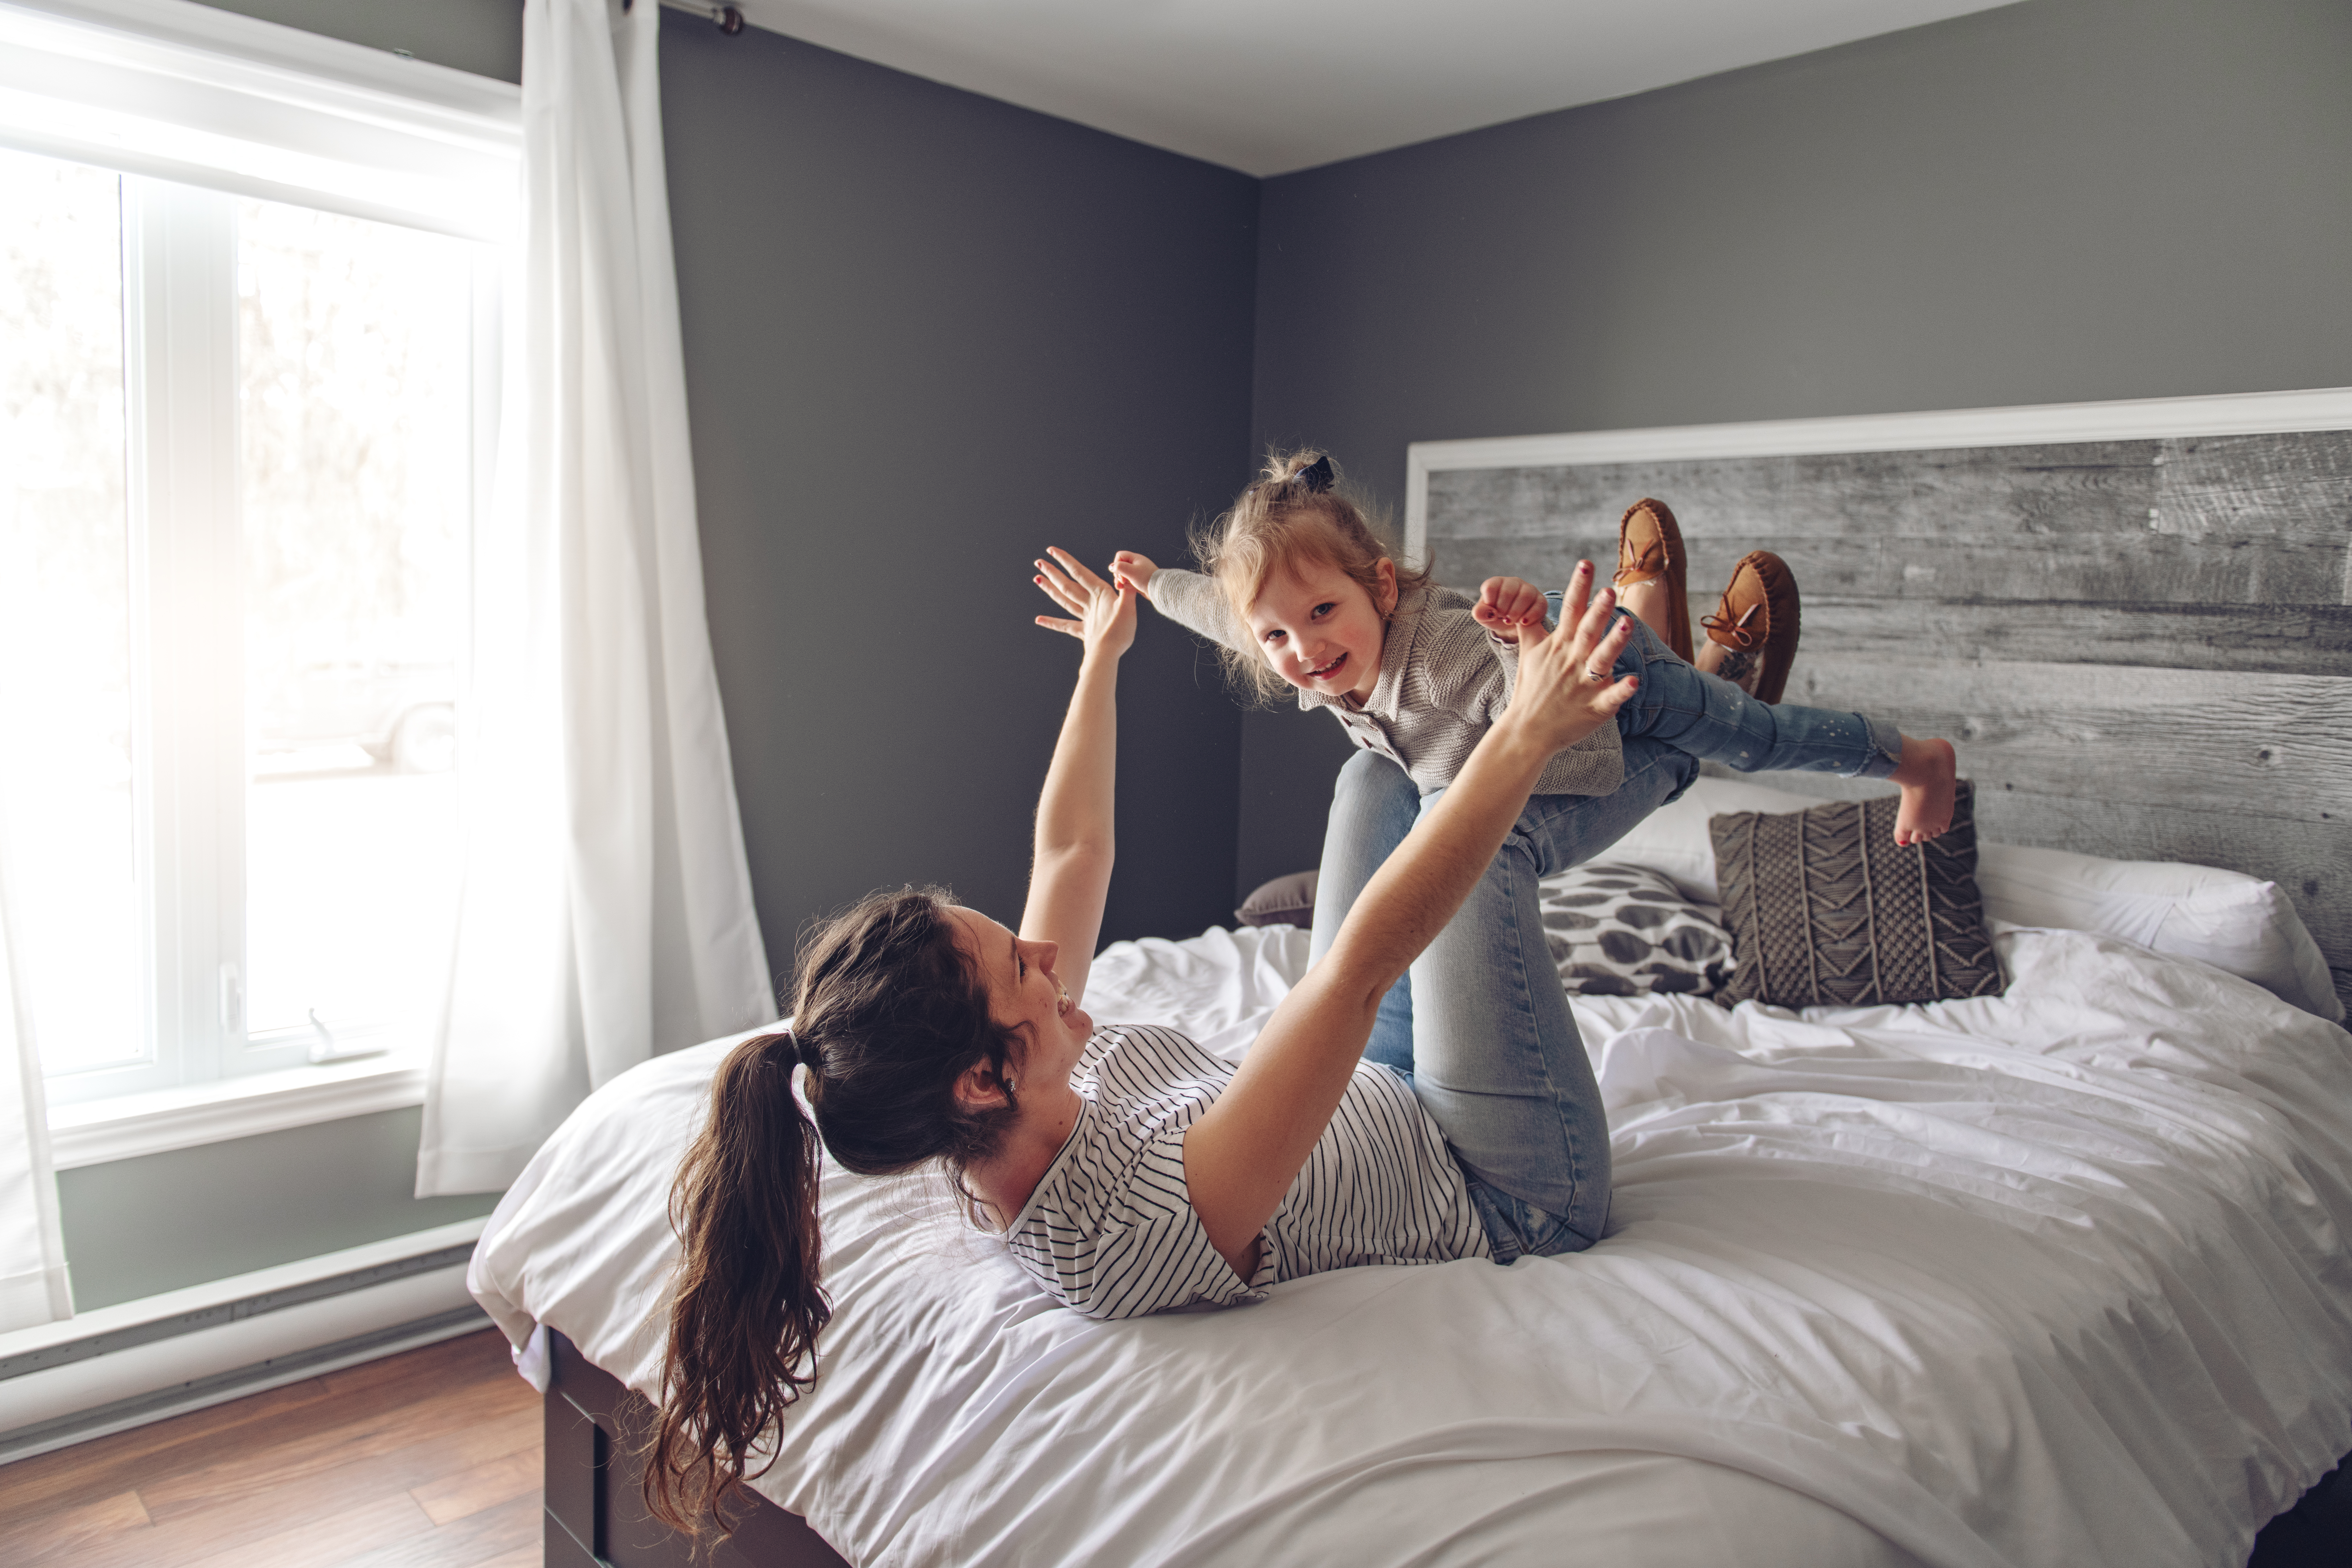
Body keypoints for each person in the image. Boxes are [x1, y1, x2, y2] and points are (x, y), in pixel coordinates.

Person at [650, 550, 1643, 1534]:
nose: (1047, 955)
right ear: (985, 1079)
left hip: (1388, 1089)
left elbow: (1071, 852)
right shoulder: (1125, 1228)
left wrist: (1103, 656)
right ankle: (1673, 728)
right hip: (1502, 1184)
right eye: (1021, 968)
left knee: (1373, 775)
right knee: (1484, 818)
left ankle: (1633, 686)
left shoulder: (1007, 1098)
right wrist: (1523, 732)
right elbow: (1354, 972)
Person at [1111, 451, 1956, 1077]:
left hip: (1595, 677)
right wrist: (1153, 586)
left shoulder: (1442, 662)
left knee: (1750, 738)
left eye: (1323, 612)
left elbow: (1558, 735)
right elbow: (1225, 615)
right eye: (1278, 636)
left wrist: (1524, 644)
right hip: (1534, 700)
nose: (1304, 649)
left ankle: (1912, 760)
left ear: (1383, 588)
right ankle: (1658, 620)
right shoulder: (1315, 655)